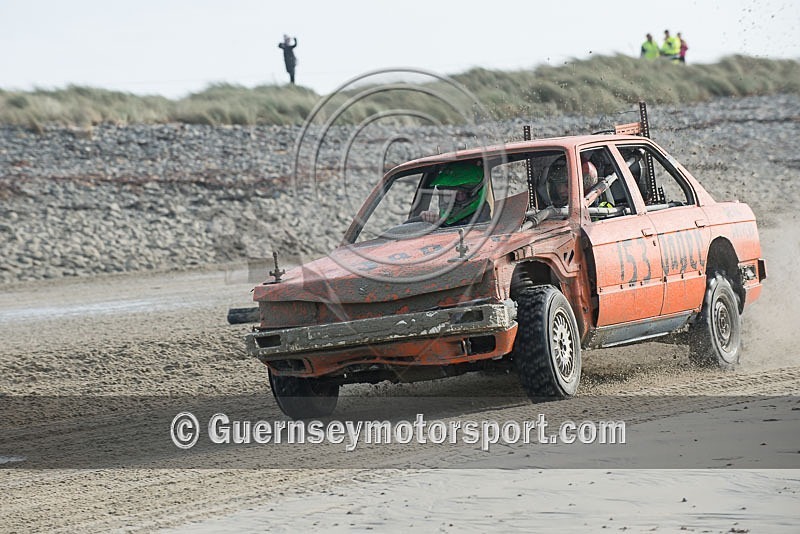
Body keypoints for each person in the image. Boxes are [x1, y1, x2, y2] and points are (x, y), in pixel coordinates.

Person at [419, 162, 491, 226]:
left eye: (461, 193)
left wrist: (439, 224)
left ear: (475, 193)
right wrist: (430, 220)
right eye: (449, 194)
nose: (456, 198)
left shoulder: (481, 216)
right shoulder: (448, 219)